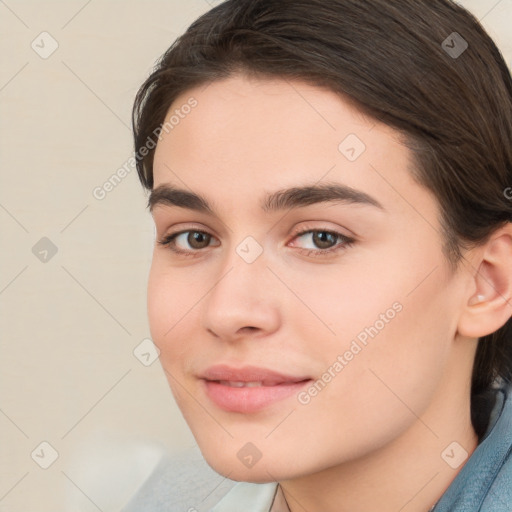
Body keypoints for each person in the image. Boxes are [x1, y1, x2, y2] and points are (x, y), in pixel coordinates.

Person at [124, 0, 512, 510]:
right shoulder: (166, 496)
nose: (227, 312)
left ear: (487, 281)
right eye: (194, 237)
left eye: (321, 238)